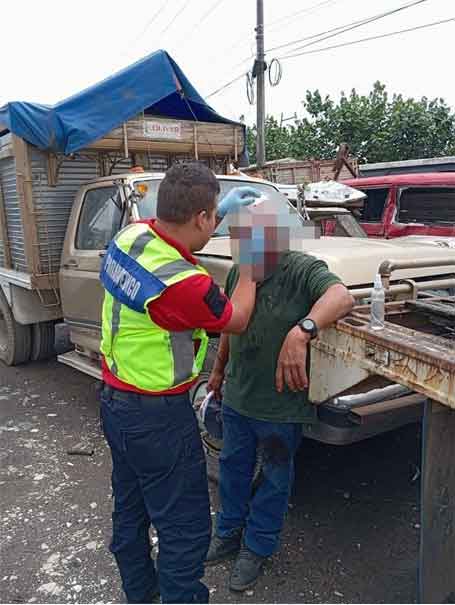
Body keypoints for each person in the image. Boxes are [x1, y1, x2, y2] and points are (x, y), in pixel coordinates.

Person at [98, 162, 260, 604]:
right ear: (200, 219)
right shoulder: (186, 284)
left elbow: (169, 235)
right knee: (184, 528)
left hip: (115, 403)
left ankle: (140, 594)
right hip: (158, 419)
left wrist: (219, 211)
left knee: (130, 512)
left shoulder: (130, 237)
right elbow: (237, 319)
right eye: (211, 216)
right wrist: (251, 266)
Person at [205, 200, 354, 591]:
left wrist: (301, 330)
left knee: (273, 476)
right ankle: (228, 533)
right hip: (239, 394)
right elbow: (228, 325)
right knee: (233, 468)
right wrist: (218, 371)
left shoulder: (301, 269)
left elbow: (342, 297)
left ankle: (257, 547)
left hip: (280, 404)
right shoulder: (240, 270)